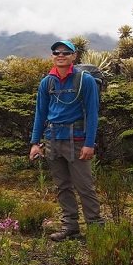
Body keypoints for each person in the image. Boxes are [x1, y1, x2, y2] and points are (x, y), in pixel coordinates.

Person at [29, 40, 103, 241]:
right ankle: (70, 227)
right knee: (62, 187)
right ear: (52, 56)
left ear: (74, 56)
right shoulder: (47, 82)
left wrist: (89, 143)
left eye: (65, 52)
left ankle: (96, 229)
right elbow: (40, 113)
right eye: (56, 52)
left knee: (84, 186)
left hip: (77, 141)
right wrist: (35, 142)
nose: (60, 55)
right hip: (52, 140)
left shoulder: (84, 80)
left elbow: (92, 114)